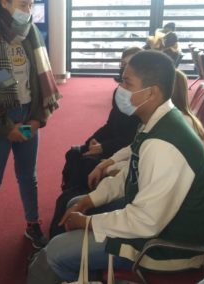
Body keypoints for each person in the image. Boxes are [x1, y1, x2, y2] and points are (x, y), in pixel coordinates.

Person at [27, 50, 204, 283]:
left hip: (163, 247)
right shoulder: (156, 121)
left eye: (127, 82)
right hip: (155, 226)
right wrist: (92, 200)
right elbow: (132, 172)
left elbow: (144, 222)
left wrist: (87, 223)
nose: (120, 88)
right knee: (76, 203)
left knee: (55, 252)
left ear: (152, 92)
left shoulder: (164, 144)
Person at [0, 0, 61, 256]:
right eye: (22, 3)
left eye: (30, 4)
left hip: (28, 115)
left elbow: (41, 85)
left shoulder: (32, 36)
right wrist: (7, 129)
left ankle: (33, 224)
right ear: (4, 3)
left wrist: (37, 120)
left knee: (28, 175)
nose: (27, 9)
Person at [49, 47, 141, 238]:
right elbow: (111, 125)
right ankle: (73, 190)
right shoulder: (122, 94)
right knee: (76, 152)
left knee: (82, 165)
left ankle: (75, 194)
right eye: (122, 67)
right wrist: (93, 140)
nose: (123, 74)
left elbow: (130, 142)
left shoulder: (144, 112)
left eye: (128, 73)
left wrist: (104, 150)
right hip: (114, 148)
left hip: (118, 152)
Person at [88, 69, 204, 188]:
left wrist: (110, 168)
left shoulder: (173, 127)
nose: (121, 88)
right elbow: (135, 147)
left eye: (129, 84)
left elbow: (143, 171)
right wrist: (109, 163)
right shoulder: (164, 118)